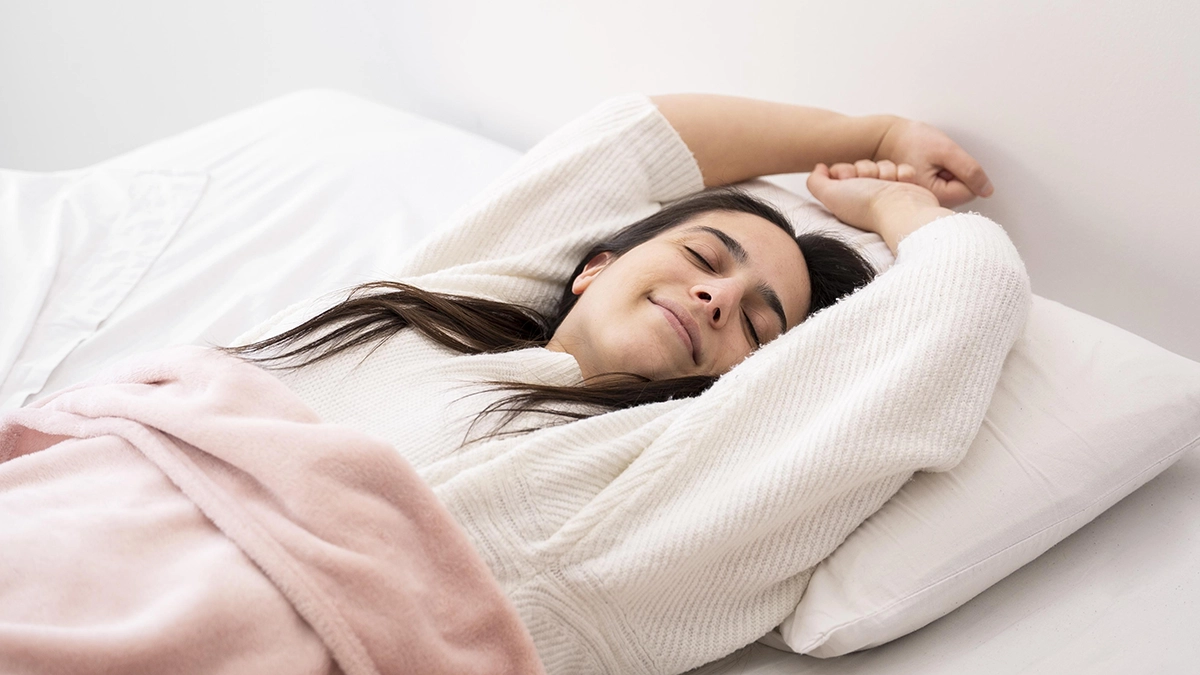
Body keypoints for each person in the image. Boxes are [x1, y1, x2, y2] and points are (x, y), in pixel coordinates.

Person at [228, 93, 1031, 674]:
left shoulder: (665, 473)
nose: (718, 298)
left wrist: (891, 199)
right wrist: (873, 129)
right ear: (594, 267)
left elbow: (965, 293)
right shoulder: (451, 307)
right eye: (703, 259)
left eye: (760, 322)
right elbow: (632, 141)